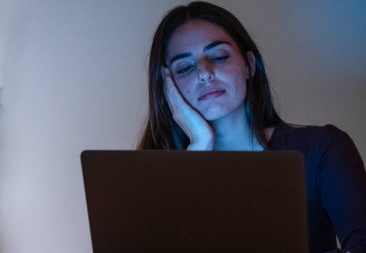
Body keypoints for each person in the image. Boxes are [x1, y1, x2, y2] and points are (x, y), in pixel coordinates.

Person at [137, 1, 366, 252]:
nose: (204, 72)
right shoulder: (155, 184)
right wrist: (198, 151)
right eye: (185, 67)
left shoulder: (322, 150)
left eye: (219, 56)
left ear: (249, 65)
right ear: (168, 86)